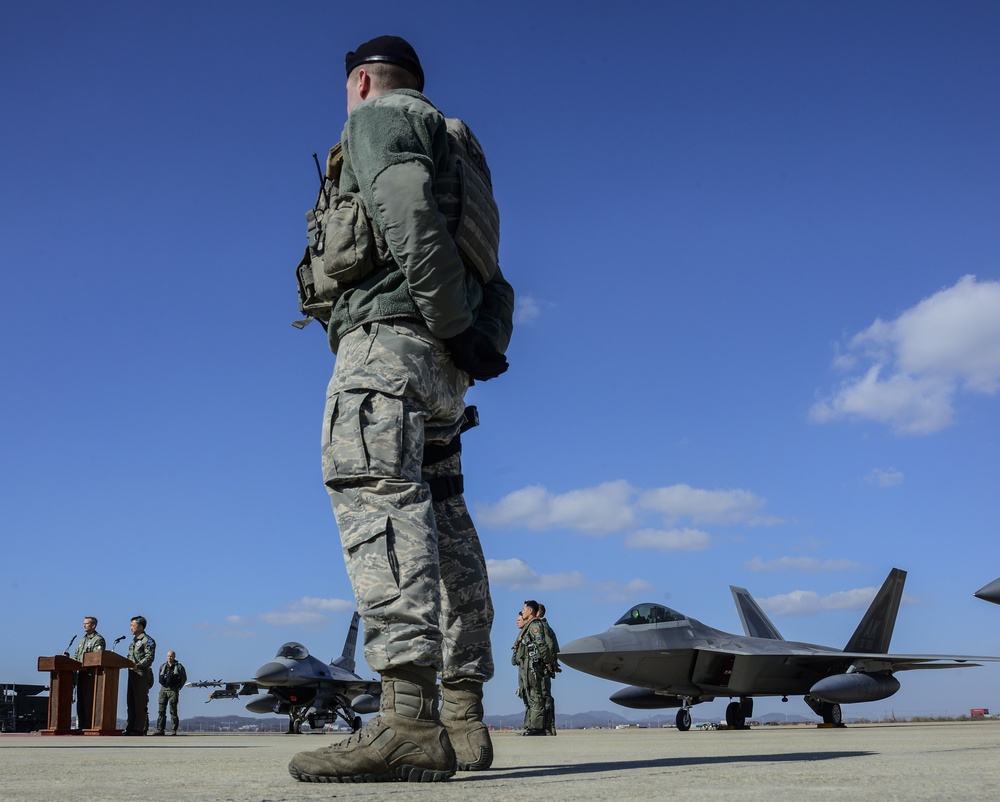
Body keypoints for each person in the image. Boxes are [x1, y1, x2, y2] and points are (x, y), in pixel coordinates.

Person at [288, 34, 514, 785]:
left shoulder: (381, 118)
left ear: (360, 82)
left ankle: (407, 723)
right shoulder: (464, 151)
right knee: (445, 520)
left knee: (379, 503)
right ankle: (461, 716)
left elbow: (402, 208)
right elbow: (498, 277)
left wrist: (447, 321)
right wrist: (473, 340)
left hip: (390, 343)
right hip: (445, 367)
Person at [516, 600, 556, 736]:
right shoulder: (529, 626)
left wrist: (547, 662)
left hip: (533, 665)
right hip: (528, 665)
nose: (522, 611)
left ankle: (538, 728)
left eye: (524, 609)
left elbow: (542, 645)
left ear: (531, 611)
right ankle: (534, 726)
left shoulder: (535, 626)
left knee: (536, 695)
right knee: (532, 694)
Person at [68, 616, 105, 729]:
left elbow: (97, 657)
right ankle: (81, 726)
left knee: (89, 702)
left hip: (91, 675)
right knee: (81, 702)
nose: (84, 625)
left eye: (87, 623)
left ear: (93, 625)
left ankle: (89, 725)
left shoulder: (98, 639)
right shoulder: (82, 640)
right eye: (83, 623)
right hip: (80, 674)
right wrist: (68, 660)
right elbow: (76, 656)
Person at [124, 616, 155, 735]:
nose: (130, 627)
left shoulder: (147, 640)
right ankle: (130, 727)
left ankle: (138, 728)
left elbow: (149, 657)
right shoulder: (134, 641)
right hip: (132, 674)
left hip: (141, 674)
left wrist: (138, 665)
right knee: (130, 702)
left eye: (133, 625)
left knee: (140, 703)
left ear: (141, 627)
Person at [535, 603, 561, 735]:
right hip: (542, 666)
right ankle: (544, 726)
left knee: (544, 696)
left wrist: (548, 662)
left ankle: (547, 727)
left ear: (537, 613)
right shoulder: (543, 626)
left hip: (542, 667)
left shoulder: (541, 626)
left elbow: (550, 646)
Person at [154, 650, 187, 735]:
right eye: (168, 656)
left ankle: (173, 730)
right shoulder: (163, 666)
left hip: (173, 690)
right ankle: (160, 729)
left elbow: (184, 678)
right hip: (163, 690)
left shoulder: (179, 667)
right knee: (161, 710)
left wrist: (178, 687)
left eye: (171, 656)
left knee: (173, 710)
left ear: (174, 657)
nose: (169, 658)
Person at [511, 609, 529, 729]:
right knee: (526, 697)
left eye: (519, 620)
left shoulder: (527, 634)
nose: (517, 622)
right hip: (522, 670)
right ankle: (528, 725)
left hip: (527, 670)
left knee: (530, 698)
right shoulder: (521, 635)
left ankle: (531, 725)